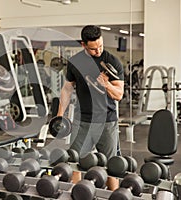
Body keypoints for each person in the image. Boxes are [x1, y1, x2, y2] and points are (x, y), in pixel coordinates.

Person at [57, 25, 124, 188]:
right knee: (74, 162)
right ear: (83, 44)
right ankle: (76, 194)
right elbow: (67, 89)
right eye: (94, 49)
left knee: (110, 167)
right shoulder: (75, 62)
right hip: (82, 121)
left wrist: (106, 85)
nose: (98, 51)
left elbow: (119, 94)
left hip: (107, 122)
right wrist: (60, 115)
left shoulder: (112, 61)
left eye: (100, 45)